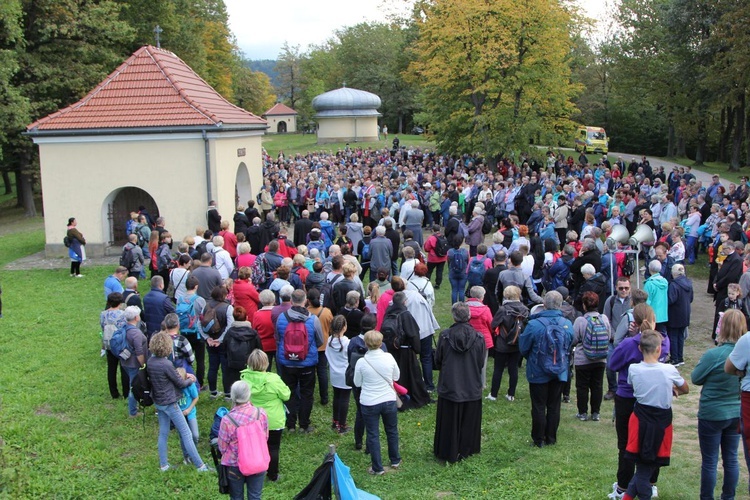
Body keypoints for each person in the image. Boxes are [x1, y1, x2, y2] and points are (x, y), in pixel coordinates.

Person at [608, 304, 670, 500]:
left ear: (633, 321)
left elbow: (613, 364)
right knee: (652, 442)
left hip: (628, 396)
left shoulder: (629, 344)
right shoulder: (662, 342)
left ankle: (623, 486)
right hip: (652, 399)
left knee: (626, 443)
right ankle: (650, 483)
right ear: (653, 320)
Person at [622, 330, 689, 500]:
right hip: (661, 420)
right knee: (647, 468)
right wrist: (671, 389)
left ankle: (627, 496)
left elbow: (633, 385)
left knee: (643, 465)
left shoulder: (634, 369)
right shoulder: (668, 369)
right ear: (659, 349)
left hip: (640, 418)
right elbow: (685, 388)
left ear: (639, 348)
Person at [691, 309, 742, 500]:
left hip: (712, 413)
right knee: (731, 459)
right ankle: (728, 497)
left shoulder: (714, 355)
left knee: (710, 462)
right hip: (735, 411)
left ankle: (707, 498)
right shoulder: (744, 354)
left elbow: (696, 378)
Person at [146, 331, 211, 472]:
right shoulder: (166, 364)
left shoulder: (150, 361)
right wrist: (191, 379)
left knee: (163, 433)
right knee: (187, 434)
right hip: (170, 403)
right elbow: (180, 383)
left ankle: (164, 465)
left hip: (158, 402)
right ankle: (200, 466)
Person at [518, 291, 574, 447]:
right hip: (559, 371)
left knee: (538, 405)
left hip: (538, 371)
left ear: (543, 305)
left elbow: (523, 348)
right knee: (554, 405)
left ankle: (538, 439)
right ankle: (551, 438)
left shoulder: (534, 325)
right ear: (561, 305)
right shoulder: (567, 324)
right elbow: (569, 344)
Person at [433, 302, 486, 463]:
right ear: (468, 316)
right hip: (469, 385)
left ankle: (449, 449)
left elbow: (438, 359)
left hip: (451, 384)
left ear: (454, 316)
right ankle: (466, 448)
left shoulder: (446, 336)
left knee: (450, 420)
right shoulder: (477, 337)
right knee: (468, 419)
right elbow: (480, 362)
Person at [353, 329, 401, 475]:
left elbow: (357, 383)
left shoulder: (361, 362)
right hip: (388, 399)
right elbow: (396, 376)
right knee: (391, 430)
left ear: (366, 344)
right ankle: (395, 459)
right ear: (381, 343)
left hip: (369, 402)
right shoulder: (389, 357)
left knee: (373, 434)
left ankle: (377, 467)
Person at [276, 289, 324, 432]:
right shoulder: (313, 319)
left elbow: (278, 337)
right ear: (305, 301)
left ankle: (290, 424)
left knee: (288, 392)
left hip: (286, 362)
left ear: (291, 301)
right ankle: (304, 424)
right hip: (307, 363)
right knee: (306, 393)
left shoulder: (281, 318)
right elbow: (320, 340)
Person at [240, 349, 291, 483]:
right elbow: (286, 395)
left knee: (255, 446)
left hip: (253, 419)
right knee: (273, 447)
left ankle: (255, 472)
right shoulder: (273, 379)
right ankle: (272, 475)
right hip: (273, 419)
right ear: (266, 363)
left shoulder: (244, 378)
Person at [218, 380, 268, 499]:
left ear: (232, 396)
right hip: (258, 460)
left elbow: (222, 446)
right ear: (248, 394)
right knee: (255, 496)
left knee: (236, 497)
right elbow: (265, 437)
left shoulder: (227, 419)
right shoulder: (260, 414)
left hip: (235, 464)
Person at [571, 291, 611, 422]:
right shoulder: (604, 319)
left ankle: (582, 412)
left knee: (582, 386)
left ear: (584, 305)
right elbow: (609, 335)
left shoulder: (580, 321)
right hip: (601, 358)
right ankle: (596, 413)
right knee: (597, 385)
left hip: (583, 359)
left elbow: (574, 339)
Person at [488, 286, 528, 401]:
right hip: (517, 343)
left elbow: (493, 325)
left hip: (503, 343)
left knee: (498, 369)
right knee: (513, 368)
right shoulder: (525, 309)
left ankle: (493, 394)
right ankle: (511, 394)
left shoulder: (502, 309)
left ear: (506, 295)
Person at [203, 285, 234, 400]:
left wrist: (207, 338)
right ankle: (227, 394)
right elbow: (230, 326)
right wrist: (220, 340)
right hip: (223, 343)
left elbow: (199, 323)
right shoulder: (228, 308)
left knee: (212, 367)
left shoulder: (205, 306)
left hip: (210, 342)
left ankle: (213, 392)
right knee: (226, 369)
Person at [223, 306, 262, 390]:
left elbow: (224, 349)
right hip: (250, 364)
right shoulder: (253, 333)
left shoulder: (229, 333)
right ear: (247, 317)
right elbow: (259, 349)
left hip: (233, 364)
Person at [326, 315, 352, 433]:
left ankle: (335, 421)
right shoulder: (347, 342)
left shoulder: (329, 340)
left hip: (334, 374)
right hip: (345, 374)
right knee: (344, 400)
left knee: (336, 397)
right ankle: (342, 425)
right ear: (344, 327)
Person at [100, 293, 128, 399]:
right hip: (121, 344)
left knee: (111, 369)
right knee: (124, 368)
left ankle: (114, 393)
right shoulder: (123, 314)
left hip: (108, 343)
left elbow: (102, 327)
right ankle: (126, 393)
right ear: (120, 303)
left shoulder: (103, 314)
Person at [466, 286, 494, 389]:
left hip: (467, 338)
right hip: (483, 339)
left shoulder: (464, 307)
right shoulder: (485, 310)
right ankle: (481, 384)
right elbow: (491, 324)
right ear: (482, 297)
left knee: (468, 361)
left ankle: (468, 381)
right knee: (482, 362)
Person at [667, 264, 692, 366]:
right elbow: (691, 299)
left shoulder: (674, 285)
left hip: (675, 313)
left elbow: (671, 300)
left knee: (673, 335)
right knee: (681, 336)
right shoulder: (689, 283)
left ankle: (674, 359)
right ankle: (680, 357)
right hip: (685, 312)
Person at [175, 367, 200, 459]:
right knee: (183, 436)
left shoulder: (190, 385)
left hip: (190, 412)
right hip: (179, 414)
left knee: (195, 435)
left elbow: (196, 398)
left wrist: (189, 409)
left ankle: (193, 452)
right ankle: (186, 456)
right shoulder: (174, 386)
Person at [644, 260, 669, 333]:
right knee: (662, 335)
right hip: (663, 314)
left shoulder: (649, 284)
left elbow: (646, 300)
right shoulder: (664, 282)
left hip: (652, 314)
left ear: (649, 269)